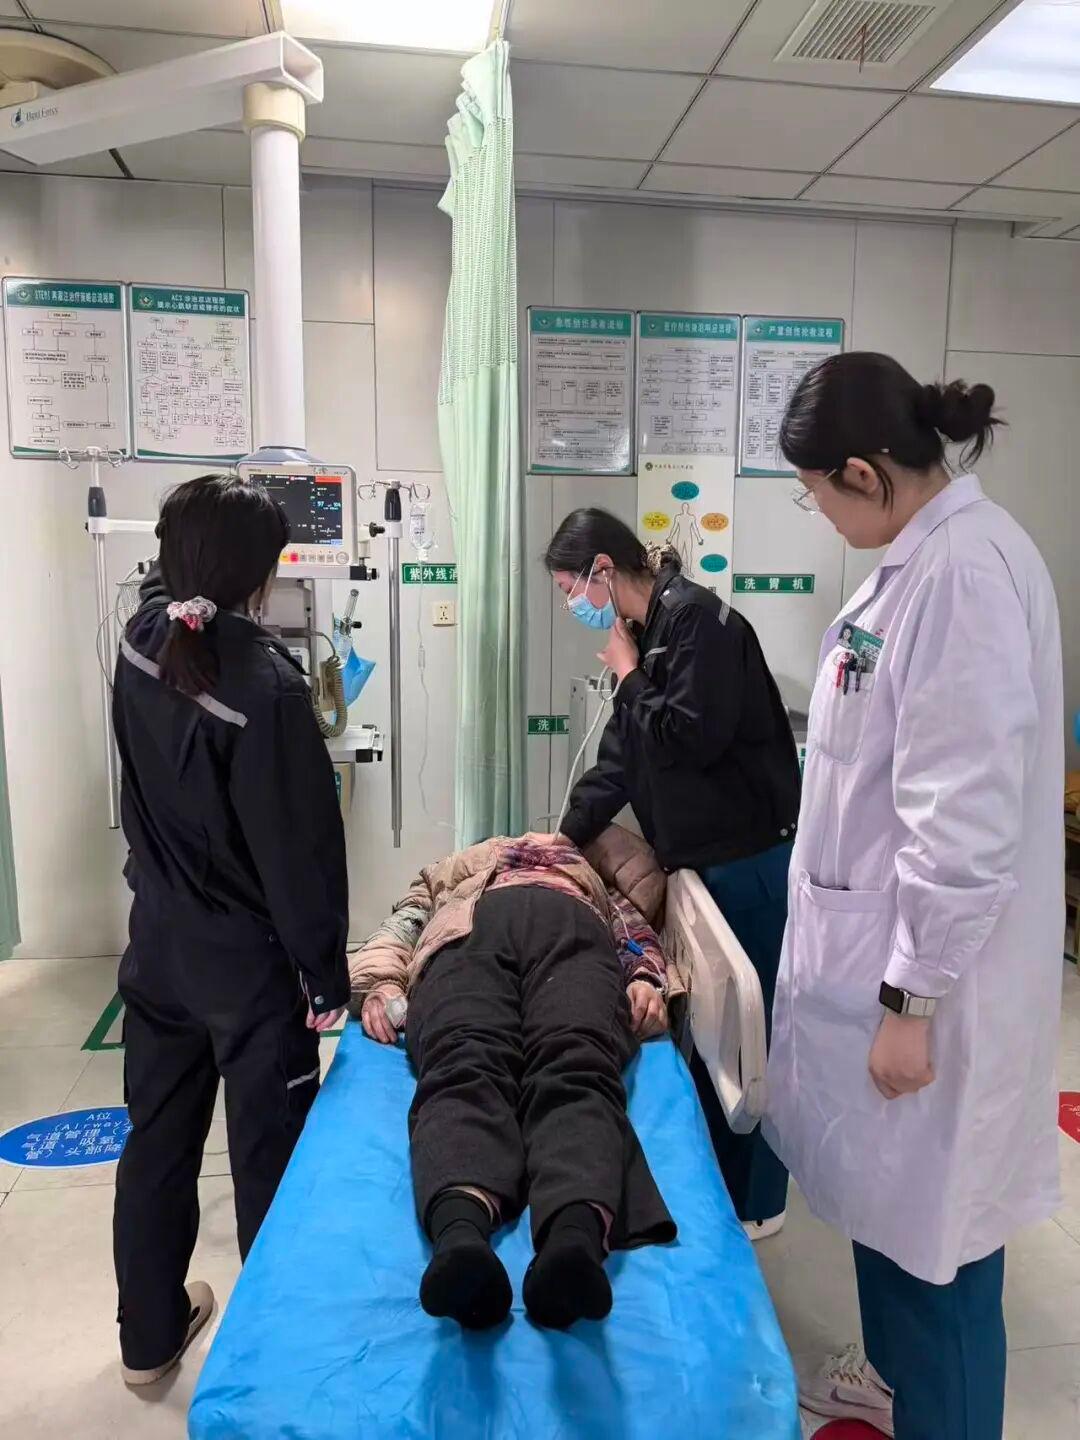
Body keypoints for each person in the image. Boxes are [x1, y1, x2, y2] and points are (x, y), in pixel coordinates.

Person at [768, 352, 1064, 1440]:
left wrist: (911, 1002)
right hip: (890, 971)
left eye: (815, 493)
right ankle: (899, 1393)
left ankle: (941, 1413)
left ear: (863, 471)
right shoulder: (923, 561)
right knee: (897, 1235)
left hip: (931, 995)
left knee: (937, 1264)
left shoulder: (963, 576)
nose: (819, 513)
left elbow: (963, 821)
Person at [112, 474, 350, 1386]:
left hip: (158, 949)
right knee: (269, 1159)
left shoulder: (140, 641)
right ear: (266, 572)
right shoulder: (266, 689)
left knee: (157, 1142)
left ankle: (147, 1340)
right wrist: (324, 975)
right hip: (246, 973)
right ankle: (275, 1365)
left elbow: (165, 596)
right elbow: (298, 857)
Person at [544, 509, 800, 1240]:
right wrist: (560, 842)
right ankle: (718, 1184)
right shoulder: (650, 631)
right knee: (713, 1038)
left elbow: (690, 735)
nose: (573, 605)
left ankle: (757, 1202)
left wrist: (628, 676)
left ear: (602, 569)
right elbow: (623, 760)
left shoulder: (696, 624)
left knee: (750, 1035)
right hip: (700, 864)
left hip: (747, 862)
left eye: (569, 589)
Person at [354, 828, 677, 1331]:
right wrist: (381, 983)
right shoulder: (450, 873)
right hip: (466, 933)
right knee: (465, 1057)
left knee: (577, 1059)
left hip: (571, 929)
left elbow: (634, 933)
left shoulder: (587, 876)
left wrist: (646, 978)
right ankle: (462, 1243)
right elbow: (404, 923)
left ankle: (571, 1245)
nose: (530, 839)